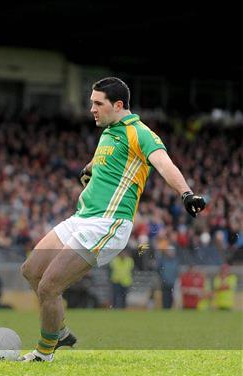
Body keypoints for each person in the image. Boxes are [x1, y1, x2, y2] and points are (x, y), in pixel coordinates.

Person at [19, 77, 206, 361]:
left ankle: (43, 354)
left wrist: (186, 194)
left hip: (108, 224)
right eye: (91, 102)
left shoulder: (141, 133)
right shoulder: (109, 132)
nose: (91, 108)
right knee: (31, 270)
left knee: (49, 286)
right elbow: (110, 160)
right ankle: (59, 331)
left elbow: (163, 163)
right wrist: (90, 168)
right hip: (82, 217)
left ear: (118, 105)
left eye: (97, 103)